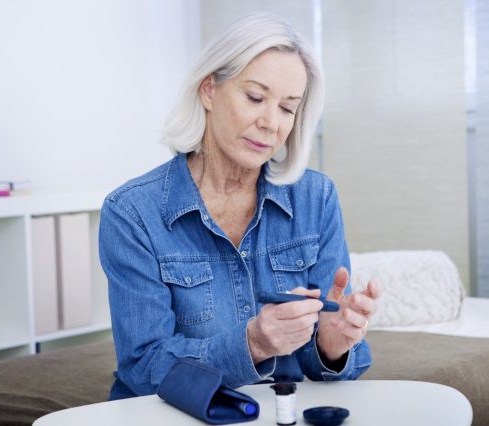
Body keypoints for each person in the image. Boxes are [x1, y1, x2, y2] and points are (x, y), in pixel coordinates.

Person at [99, 12, 380, 400]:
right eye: (255, 97)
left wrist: (331, 345)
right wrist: (253, 344)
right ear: (209, 89)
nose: (271, 123)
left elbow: (333, 365)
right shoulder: (132, 213)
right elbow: (144, 366)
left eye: (287, 108)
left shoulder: (317, 199)